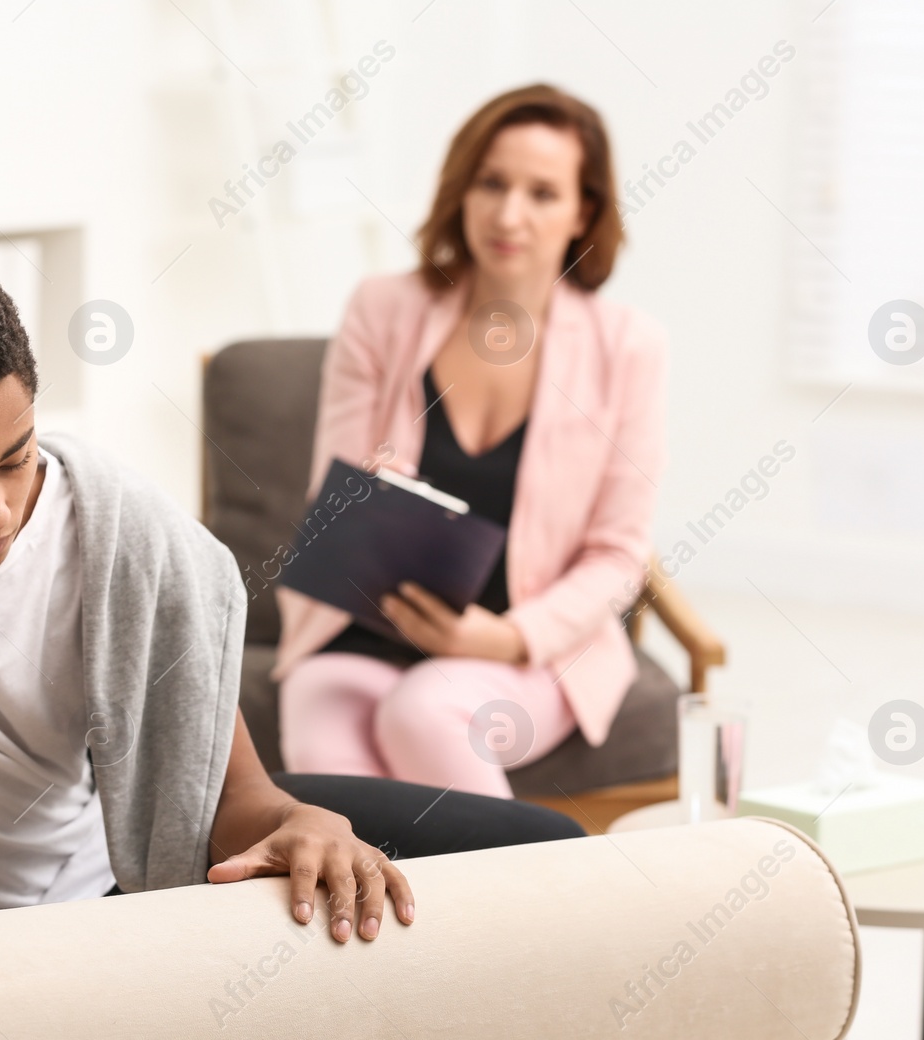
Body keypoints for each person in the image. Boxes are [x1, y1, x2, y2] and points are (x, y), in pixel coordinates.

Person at [0, 245, 581, 944]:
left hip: (125, 886)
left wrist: (306, 823)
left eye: (17, 456)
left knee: (549, 856)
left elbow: (229, 800)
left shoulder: (115, 532)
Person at [274, 84, 668, 800]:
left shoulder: (626, 348)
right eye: (492, 183)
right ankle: (373, 914)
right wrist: (367, 494)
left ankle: (519, 911)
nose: (509, 213)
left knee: (427, 709)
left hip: (529, 652)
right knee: (324, 765)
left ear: (583, 210)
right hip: (369, 631)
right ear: (462, 188)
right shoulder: (382, 310)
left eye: (542, 193)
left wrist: (505, 639)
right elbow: (321, 500)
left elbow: (619, 555)